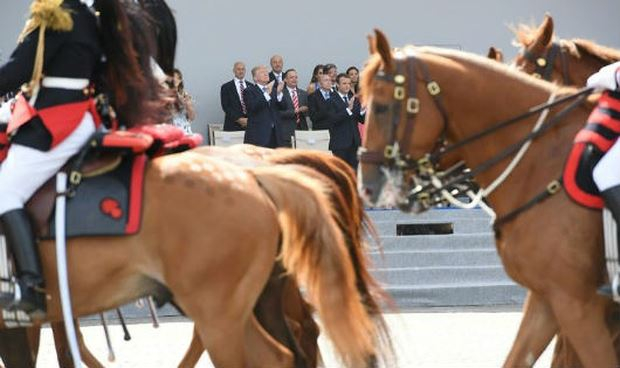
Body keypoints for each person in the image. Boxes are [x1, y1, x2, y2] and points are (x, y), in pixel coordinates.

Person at [0, 0, 163, 316]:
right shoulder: (90, 16)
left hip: (58, 117)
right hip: (77, 112)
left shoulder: (58, 15)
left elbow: (18, 70)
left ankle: (29, 286)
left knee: (4, 192)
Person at [327, 73, 365, 169]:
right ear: (337, 85)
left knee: (355, 172)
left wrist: (363, 110)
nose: (347, 85)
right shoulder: (331, 100)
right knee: (341, 172)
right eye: (344, 83)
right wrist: (348, 109)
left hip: (355, 142)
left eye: (349, 83)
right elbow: (332, 120)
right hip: (340, 144)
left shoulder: (353, 99)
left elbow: (362, 120)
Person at [243, 65, 285, 148]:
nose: (266, 74)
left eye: (266, 72)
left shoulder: (273, 90)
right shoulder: (249, 91)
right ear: (255, 78)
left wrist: (279, 93)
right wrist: (266, 94)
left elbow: (283, 107)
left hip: (275, 135)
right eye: (262, 72)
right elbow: (253, 107)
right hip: (258, 136)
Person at [278, 69, 309, 146]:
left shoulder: (304, 93)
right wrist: (296, 111)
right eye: (291, 77)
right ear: (285, 79)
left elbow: (309, 112)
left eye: (296, 77)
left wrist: (306, 110)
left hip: (302, 130)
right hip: (287, 131)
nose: (294, 79)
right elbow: (278, 113)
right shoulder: (280, 94)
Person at [220, 62, 252, 131]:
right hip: (232, 125)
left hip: (250, 125)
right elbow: (225, 106)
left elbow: (254, 104)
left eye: (243, 69)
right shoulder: (226, 87)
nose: (241, 71)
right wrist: (239, 119)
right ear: (234, 71)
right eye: (238, 69)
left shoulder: (251, 86)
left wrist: (249, 119)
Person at [170, 68, 195, 134]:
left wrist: (188, 105)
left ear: (180, 80)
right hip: (169, 132)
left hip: (184, 132)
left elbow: (192, 117)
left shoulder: (185, 95)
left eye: (174, 78)